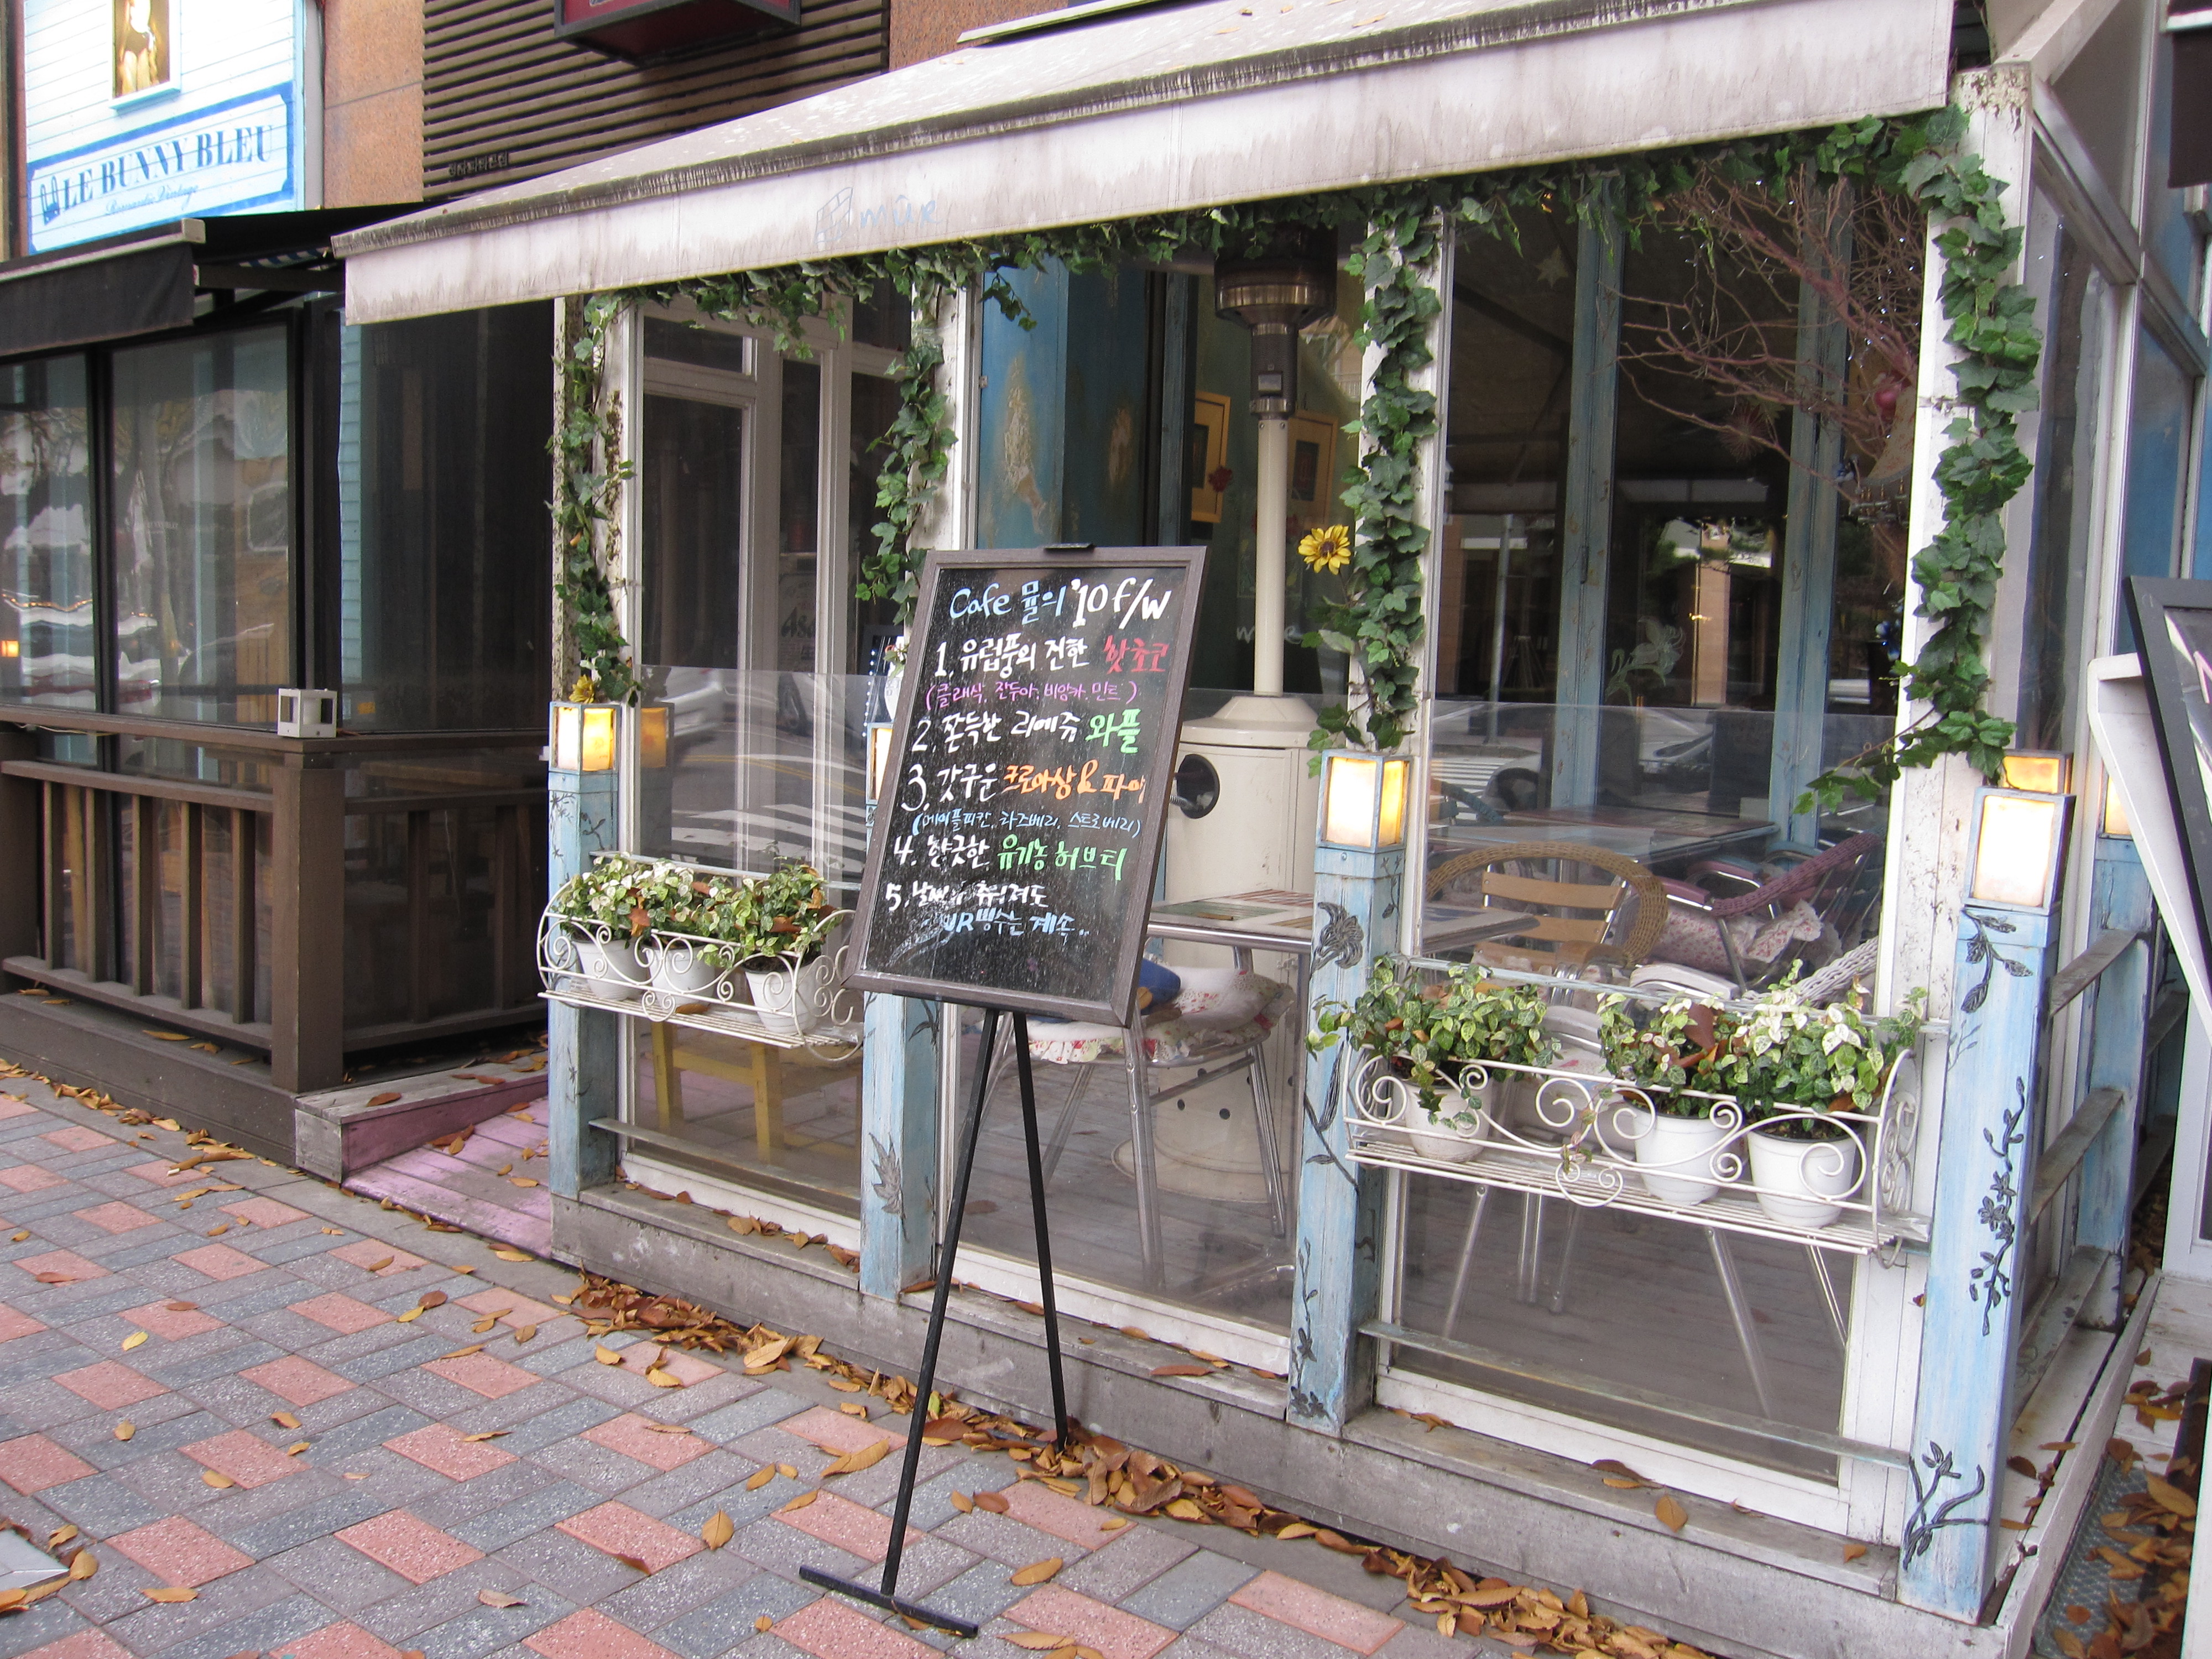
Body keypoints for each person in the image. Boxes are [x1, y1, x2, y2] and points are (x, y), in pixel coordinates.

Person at [116, 0, 164, 96]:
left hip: (140, 40)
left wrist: (154, 41)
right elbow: (127, 24)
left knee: (140, 80)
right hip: (136, 39)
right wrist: (122, 48)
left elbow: (150, 22)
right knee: (134, 80)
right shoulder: (133, 2)